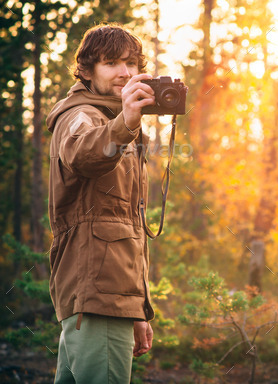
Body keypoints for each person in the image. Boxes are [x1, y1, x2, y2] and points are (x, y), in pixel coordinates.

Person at [46, 24, 157, 383]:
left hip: (107, 296)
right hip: (96, 293)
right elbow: (83, 153)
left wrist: (137, 309)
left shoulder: (115, 119)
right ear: (87, 70)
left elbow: (125, 226)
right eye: (111, 63)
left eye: (131, 63)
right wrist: (125, 124)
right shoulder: (83, 115)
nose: (125, 72)